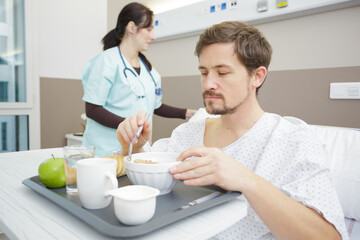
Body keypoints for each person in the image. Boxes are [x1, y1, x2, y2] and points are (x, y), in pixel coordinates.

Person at [117, 21, 349, 239]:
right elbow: (147, 188)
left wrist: (246, 180)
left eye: (222, 72)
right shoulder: (186, 134)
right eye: (204, 72)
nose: (208, 84)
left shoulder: (293, 140)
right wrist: (136, 144)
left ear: (257, 76)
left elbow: (329, 236)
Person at [81, 2, 196, 156]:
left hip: (136, 151)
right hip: (105, 151)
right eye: (149, 30)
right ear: (131, 27)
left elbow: (154, 106)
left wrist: (189, 113)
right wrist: (130, 126)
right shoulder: (106, 61)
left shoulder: (149, 70)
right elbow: (93, 110)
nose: (153, 36)